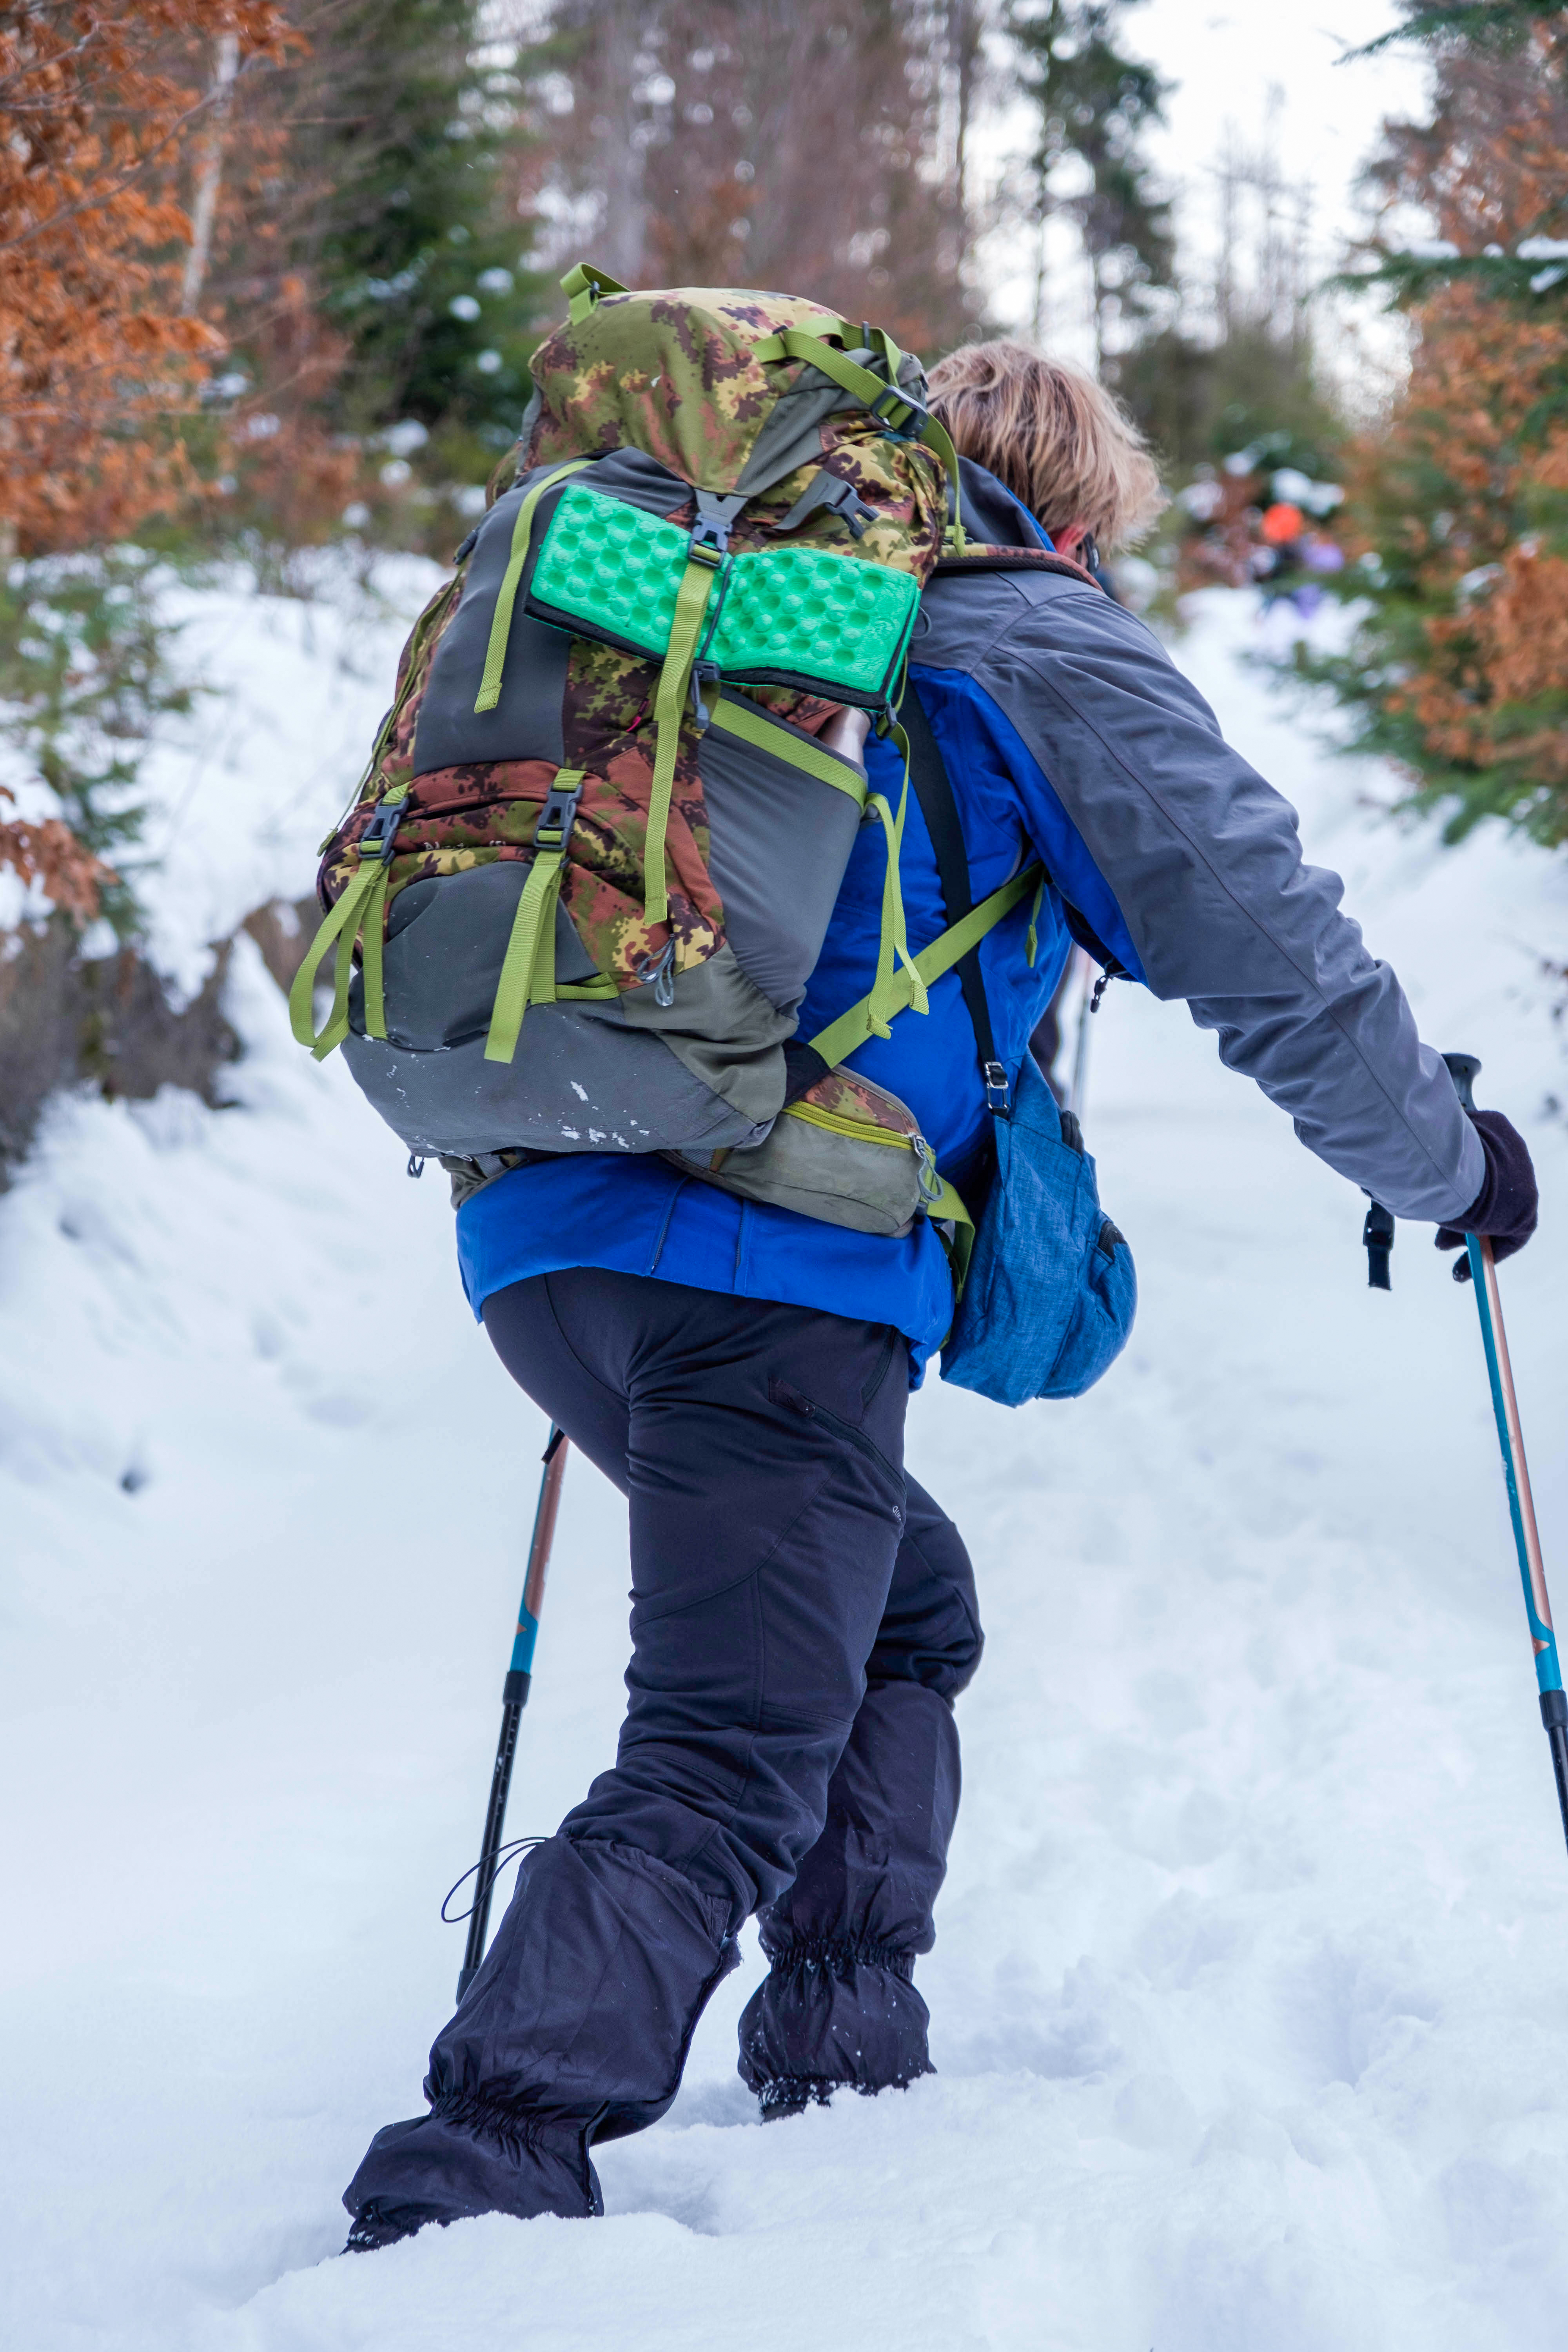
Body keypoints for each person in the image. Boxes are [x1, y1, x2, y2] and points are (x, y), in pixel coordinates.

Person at [342, 339, 1539, 2247]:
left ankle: (839, 2036)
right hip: (771, 1261)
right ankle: (481, 2169)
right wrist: (1451, 1168)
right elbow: (1280, 967)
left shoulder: (718, 600)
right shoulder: (1029, 643)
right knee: (729, 1738)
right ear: (1071, 510)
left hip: (538, 1234)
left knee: (902, 1601)